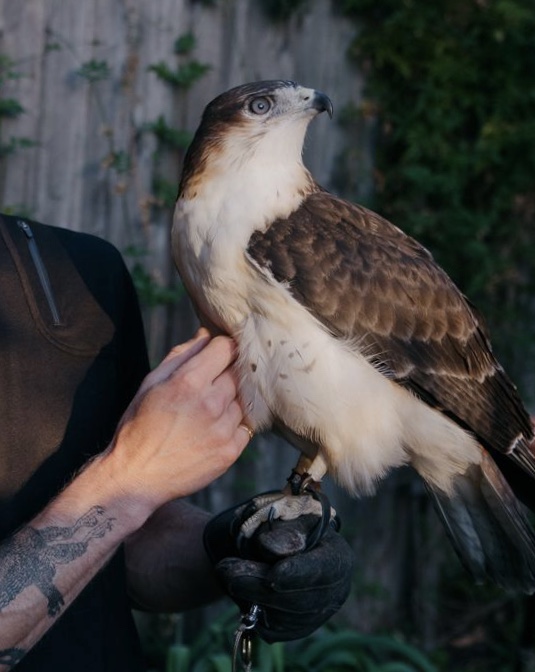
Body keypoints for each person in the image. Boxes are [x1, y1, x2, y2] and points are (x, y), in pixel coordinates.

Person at [0, 213, 352, 671]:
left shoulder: (76, 272)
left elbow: (117, 551)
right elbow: (118, 495)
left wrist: (239, 549)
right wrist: (126, 479)